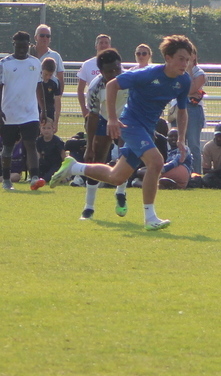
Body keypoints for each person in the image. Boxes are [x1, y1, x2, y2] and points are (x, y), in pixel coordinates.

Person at [49, 35, 196, 231]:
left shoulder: (184, 80)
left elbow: (182, 111)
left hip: (146, 129)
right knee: (156, 162)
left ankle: (74, 167)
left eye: (187, 60)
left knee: (116, 177)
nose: (185, 64)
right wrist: (112, 118)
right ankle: (150, 217)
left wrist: (182, 139)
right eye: (181, 59)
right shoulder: (146, 74)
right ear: (168, 58)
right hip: (130, 124)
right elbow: (112, 85)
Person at [74, 48, 128, 217]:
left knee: (126, 158)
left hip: (126, 119)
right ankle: (89, 206)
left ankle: (121, 193)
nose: (114, 74)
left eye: (117, 69)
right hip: (105, 120)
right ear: (101, 71)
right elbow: (93, 116)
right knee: (96, 160)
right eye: (109, 71)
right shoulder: (95, 87)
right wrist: (89, 146)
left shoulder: (130, 80)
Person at [0, 30, 45, 191]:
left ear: (29, 45)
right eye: (18, 46)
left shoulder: (36, 63)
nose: (21, 49)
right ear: (13, 45)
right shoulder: (4, 63)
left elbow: (39, 86)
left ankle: (34, 177)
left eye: (24, 46)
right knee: (8, 147)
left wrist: (43, 109)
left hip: (30, 112)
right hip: (10, 112)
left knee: (31, 144)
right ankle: (6, 179)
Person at [75, 33, 113, 123]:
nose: (104, 45)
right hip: (93, 110)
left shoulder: (115, 64)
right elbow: (80, 89)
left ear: (110, 46)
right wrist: (84, 109)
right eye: (101, 43)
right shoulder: (87, 64)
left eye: (106, 43)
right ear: (96, 46)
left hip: (111, 110)